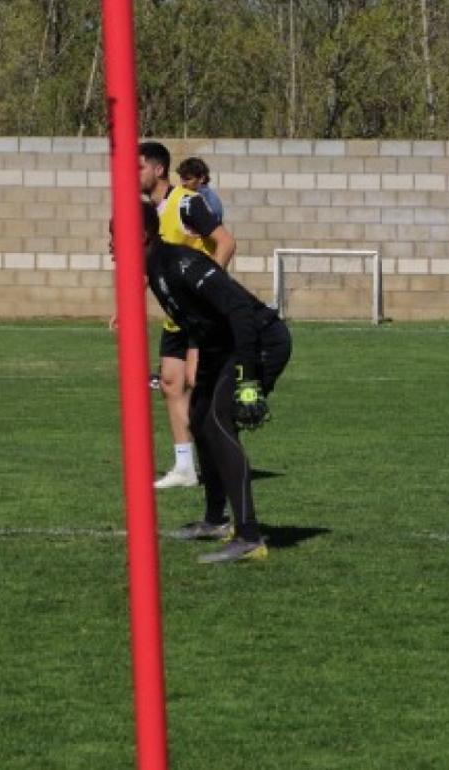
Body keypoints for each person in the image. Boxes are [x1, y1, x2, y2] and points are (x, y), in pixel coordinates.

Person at [125, 199, 291, 562]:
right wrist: (198, 354)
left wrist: (247, 378)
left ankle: (249, 537)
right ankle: (216, 520)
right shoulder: (156, 270)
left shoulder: (180, 262)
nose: (109, 245)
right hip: (224, 347)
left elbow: (239, 308)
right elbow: (200, 318)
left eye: (114, 234)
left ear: (138, 235)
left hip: (261, 339)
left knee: (218, 421)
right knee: (199, 419)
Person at [138, 141, 237, 489]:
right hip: (177, 312)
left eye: (139, 168)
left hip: (200, 311)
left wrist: (208, 285)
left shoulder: (187, 204)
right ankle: (185, 467)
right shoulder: (150, 213)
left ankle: (221, 451)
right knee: (169, 382)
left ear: (158, 169)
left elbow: (225, 241)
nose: (134, 175)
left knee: (197, 381)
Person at [176, 156, 224, 224]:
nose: (183, 183)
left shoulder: (210, 200)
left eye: (187, 179)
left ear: (201, 178)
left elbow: (213, 229)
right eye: (182, 178)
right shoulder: (185, 194)